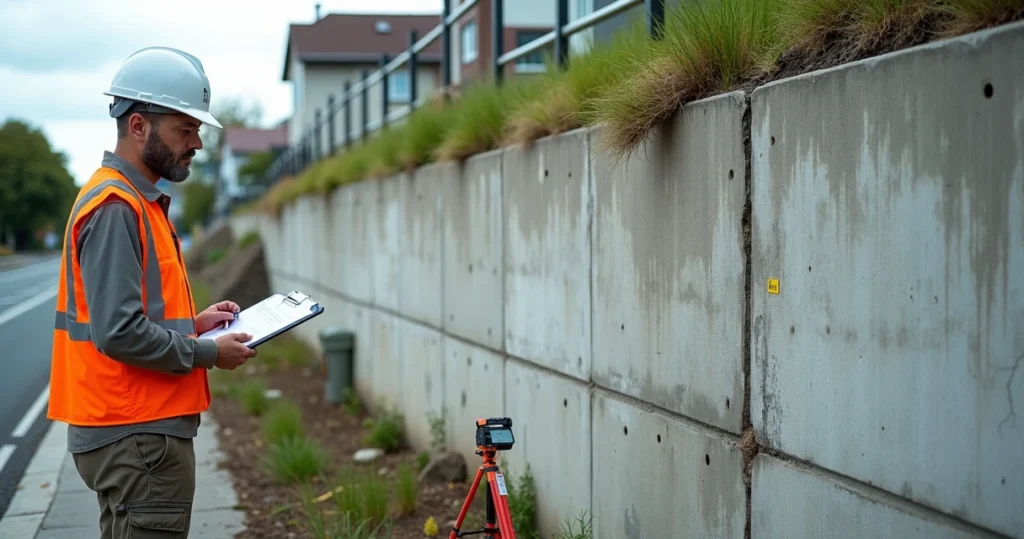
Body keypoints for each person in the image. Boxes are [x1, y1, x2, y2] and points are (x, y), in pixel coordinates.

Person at [46, 46, 258, 539]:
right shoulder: (117, 207)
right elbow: (118, 333)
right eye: (185, 129)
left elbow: (135, 314)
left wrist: (194, 323)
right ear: (138, 126)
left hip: (133, 432)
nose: (197, 144)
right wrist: (207, 352)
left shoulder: (136, 202)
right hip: (136, 435)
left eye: (197, 131)